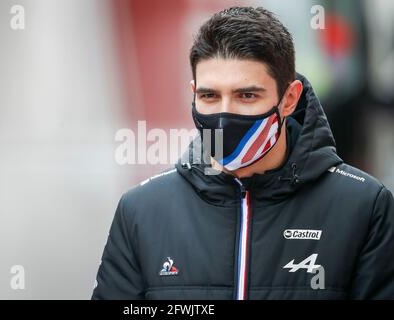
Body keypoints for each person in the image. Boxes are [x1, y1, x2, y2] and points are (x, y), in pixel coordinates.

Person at [92, 6, 394, 300]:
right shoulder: (141, 211)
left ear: (289, 100)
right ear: (194, 93)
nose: (224, 114)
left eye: (246, 95)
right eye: (209, 96)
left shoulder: (363, 207)